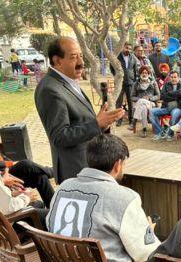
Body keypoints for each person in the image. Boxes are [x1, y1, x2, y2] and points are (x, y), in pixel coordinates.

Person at [47, 134, 160, 262]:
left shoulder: (62, 187)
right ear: (118, 164)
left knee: (104, 248)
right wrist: (148, 231)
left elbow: (51, 225)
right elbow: (144, 252)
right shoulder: (124, 197)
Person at [34, 37, 123, 184]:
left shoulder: (68, 81)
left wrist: (102, 124)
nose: (81, 63)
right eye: (74, 57)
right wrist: (96, 124)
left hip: (87, 166)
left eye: (81, 56)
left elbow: (80, 122)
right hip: (75, 171)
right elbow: (59, 136)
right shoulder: (50, 89)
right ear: (57, 60)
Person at [149, 70, 181, 141]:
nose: (173, 79)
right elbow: (163, 96)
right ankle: (160, 132)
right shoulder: (166, 84)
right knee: (152, 111)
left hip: (177, 108)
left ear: (178, 78)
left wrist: (169, 93)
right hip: (166, 107)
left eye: (175, 77)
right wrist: (175, 97)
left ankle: (170, 134)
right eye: (172, 77)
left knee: (175, 114)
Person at [110, 42, 135, 128]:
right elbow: (111, 67)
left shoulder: (133, 57)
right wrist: (117, 76)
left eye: (130, 48)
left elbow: (135, 69)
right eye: (127, 48)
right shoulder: (117, 57)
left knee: (131, 102)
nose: (128, 50)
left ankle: (131, 120)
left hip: (130, 83)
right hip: (120, 83)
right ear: (123, 48)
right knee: (119, 102)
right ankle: (119, 120)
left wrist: (134, 80)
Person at [131, 65, 160, 138]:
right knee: (143, 107)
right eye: (142, 73)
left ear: (148, 74)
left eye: (146, 73)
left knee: (142, 102)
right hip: (140, 104)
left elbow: (158, 95)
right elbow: (132, 97)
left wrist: (150, 98)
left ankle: (134, 121)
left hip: (151, 103)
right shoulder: (136, 83)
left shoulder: (153, 82)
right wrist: (140, 99)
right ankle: (144, 130)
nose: (144, 74)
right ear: (140, 74)